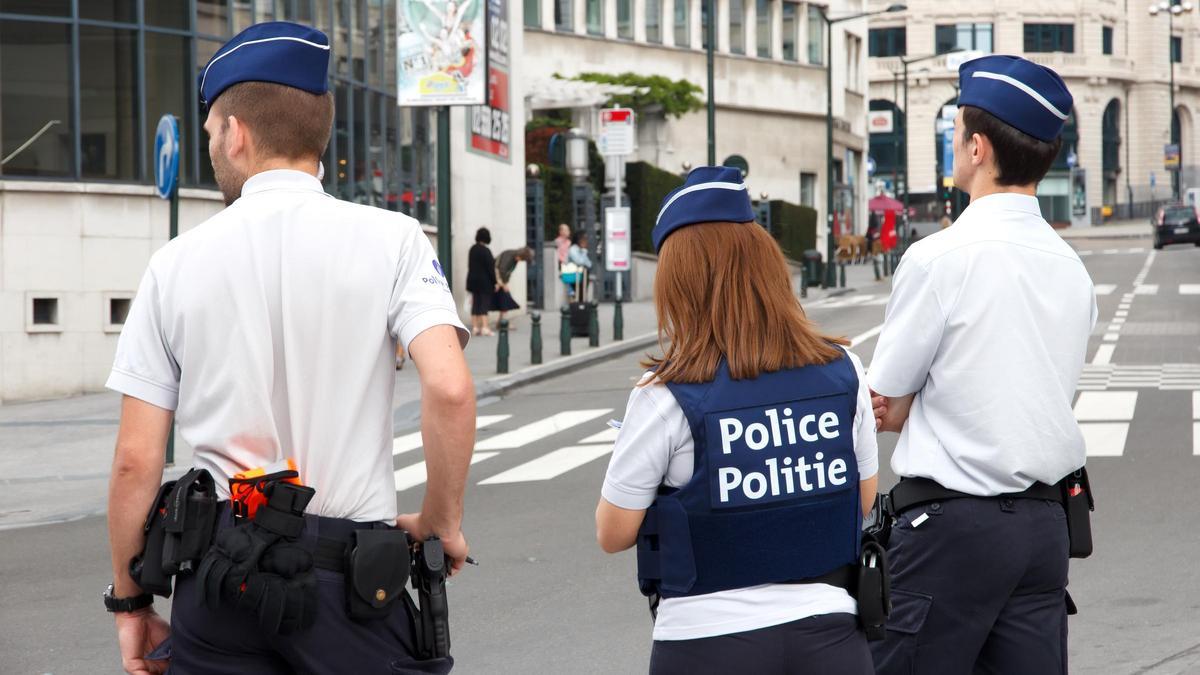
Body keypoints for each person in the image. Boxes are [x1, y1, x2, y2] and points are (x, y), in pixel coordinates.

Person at [102, 22, 475, 675]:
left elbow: (136, 460)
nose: (213, 149)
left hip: (220, 579)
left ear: (237, 133)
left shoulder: (173, 265)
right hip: (352, 583)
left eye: (213, 134)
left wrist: (131, 603)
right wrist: (442, 520)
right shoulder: (395, 240)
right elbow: (448, 386)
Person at [595, 167, 879, 674]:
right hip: (833, 636)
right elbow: (862, 498)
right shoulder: (844, 371)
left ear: (678, 283)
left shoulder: (665, 394)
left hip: (704, 643)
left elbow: (614, 532)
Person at [869, 55, 1095, 674]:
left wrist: (908, 403)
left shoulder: (939, 258)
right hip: (1045, 528)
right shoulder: (1071, 268)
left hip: (950, 529)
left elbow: (883, 404)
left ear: (976, 147)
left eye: (955, 132)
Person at [466, 226, 497, 336]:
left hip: (473, 281)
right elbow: (491, 268)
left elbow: (470, 265)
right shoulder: (486, 251)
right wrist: (495, 282)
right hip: (485, 282)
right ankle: (485, 327)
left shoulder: (472, 249)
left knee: (475, 304)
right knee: (484, 304)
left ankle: (475, 327)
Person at [493, 246, 534, 327]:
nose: (521, 261)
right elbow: (502, 269)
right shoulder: (509, 256)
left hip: (500, 282)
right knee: (503, 300)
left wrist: (505, 283)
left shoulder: (514, 259)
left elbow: (507, 272)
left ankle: (501, 322)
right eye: (522, 259)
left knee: (504, 301)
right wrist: (503, 284)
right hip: (495, 281)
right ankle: (501, 323)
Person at [565, 230, 592, 301]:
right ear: (579, 240)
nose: (586, 241)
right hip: (574, 275)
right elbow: (579, 262)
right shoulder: (573, 249)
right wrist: (583, 252)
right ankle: (579, 302)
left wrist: (583, 252)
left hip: (582, 275)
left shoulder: (582, 250)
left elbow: (589, 264)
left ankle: (582, 301)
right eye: (584, 239)